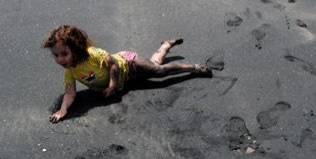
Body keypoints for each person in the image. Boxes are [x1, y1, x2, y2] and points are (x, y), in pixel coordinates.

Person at [42, 25, 212, 122]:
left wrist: (112, 85)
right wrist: (62, 110)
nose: (60, 59)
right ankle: (166, 45)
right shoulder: (70, 73)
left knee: (159, 72)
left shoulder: (92, 53)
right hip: (129, 80)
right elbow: (70, 94)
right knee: (155, 64)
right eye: (56, 55)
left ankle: (193, 68)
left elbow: (113, 63)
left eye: (64, 54)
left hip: (129, 63)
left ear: (76, 48)